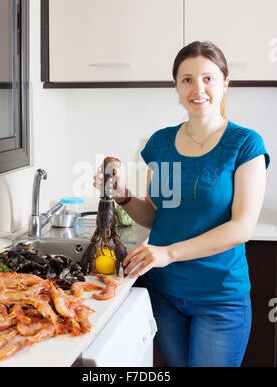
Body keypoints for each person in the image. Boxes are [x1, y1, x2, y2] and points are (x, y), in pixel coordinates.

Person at [93, 41, 270, 367]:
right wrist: (124, 196)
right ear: (176, 86)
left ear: (225, 83)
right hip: (163, 293)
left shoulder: (245, 144)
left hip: (219, 299)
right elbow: (157, 216)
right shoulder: (160, 143)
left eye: (208, 78)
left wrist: (167, 253)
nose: (197, 88)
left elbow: (241, 228)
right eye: (187, 79)